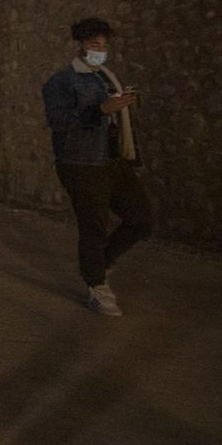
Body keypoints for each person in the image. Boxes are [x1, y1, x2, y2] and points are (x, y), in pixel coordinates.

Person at [42, 17, 151, 316]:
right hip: (82, 163)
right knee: (94, 227)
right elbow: (58, 122)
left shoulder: (106, 76)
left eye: (103, 45)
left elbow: (114, 117)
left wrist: (123, 102)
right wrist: (100, 110)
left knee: (141, 219)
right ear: (80, 45)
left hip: (113, 160)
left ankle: (99, 263)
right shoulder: (62, 81)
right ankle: (98, 288)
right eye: (94, 44)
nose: (100, 50)